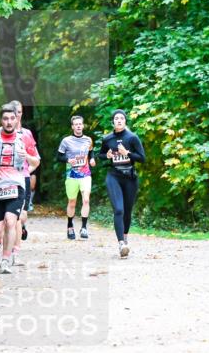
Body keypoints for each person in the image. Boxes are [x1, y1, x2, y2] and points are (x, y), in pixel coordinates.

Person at [0, 104, 39, 274]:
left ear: (17, 119)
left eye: (12, 118)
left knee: (11, 222)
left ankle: (5, 260)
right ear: (1, 120)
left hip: (16, 186)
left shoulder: (24, 138)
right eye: (5, 119)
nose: (9, 122)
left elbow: (36, 161)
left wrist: (27, 156)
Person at [99, 109, 145, 258]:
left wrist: (128, 154)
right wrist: (106, 155)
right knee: (118, 209)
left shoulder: (132, 138)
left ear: (125, 121)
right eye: (116, 118)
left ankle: (125, 238)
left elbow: (142, 158)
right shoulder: (107, 139)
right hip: (114, 176)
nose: (119, 120)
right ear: (113, 122)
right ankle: (121, 244)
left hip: (130, 177)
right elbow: (101, 155)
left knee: (127, 210)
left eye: (121, 118)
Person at [57, 115, 96, 240]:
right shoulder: (66, 141)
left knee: (86, 200)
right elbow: (59, 156)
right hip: (71, 175)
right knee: (72, 202)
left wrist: (92, 159)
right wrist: (68, 160)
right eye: (76, 124)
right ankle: (70, 225)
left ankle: (84, 227)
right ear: (72, 127)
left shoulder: (88, 140)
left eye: (80, 124)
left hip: (85, 174)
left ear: (83, 126)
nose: (78, 126)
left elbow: (91, 152)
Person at [8, 100, 38, 249]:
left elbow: (36, 160)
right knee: (9, 217)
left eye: (19, 112)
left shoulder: (27, 134)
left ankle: (15, 249)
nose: (17, 115)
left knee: (21, 216)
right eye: (14, 112)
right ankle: (10, 247)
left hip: (23, 178)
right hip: (6, 180)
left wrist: (25, 171)